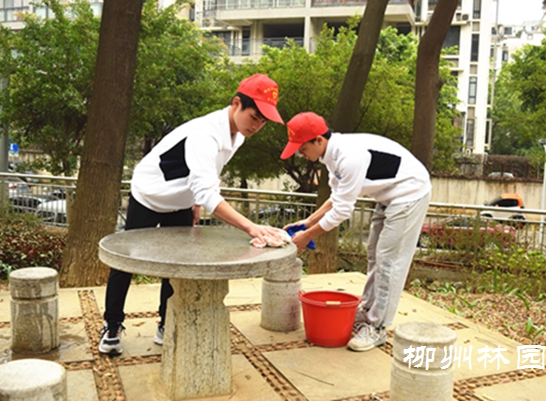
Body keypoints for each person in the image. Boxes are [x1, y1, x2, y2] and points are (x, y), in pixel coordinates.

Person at [99, 73, 285, 355]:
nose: (257, 126)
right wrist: (251, 227)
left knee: (177, 263)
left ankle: (167, 321)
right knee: (126, 262)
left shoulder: (237, 134)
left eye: (263, 121)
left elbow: (206, 176)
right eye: (255, 117)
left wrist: (195, 202)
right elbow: (208, 190)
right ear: (237, 103)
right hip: (149, 195)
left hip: (182, 202)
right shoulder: (205, 133)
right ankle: (112, 324)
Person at [280, 112, 431, 352]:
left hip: (409, 193)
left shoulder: (349, 156)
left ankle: (377, 327)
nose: (300, 153)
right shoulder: (331, 157)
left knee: (389, 261)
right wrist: (307, 223)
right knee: (374, 254)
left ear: (319, 140)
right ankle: (367, 311)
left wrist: (308, 236)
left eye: (302, 147)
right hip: (387, 196)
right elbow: (336, 198)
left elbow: (342, 211)